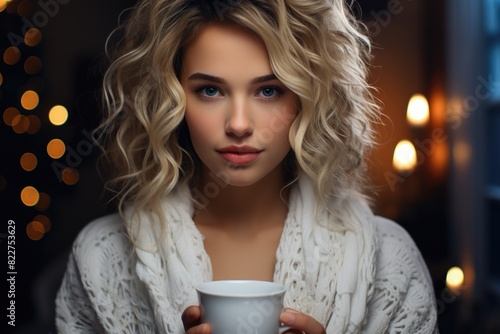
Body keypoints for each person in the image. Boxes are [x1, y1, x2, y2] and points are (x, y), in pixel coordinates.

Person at [55, 0, 439, 333]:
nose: (238, 124)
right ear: (170, 98)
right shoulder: (100, 258)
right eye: (210, 90)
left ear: (307, 98)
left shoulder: (391, 260)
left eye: (269, 90)